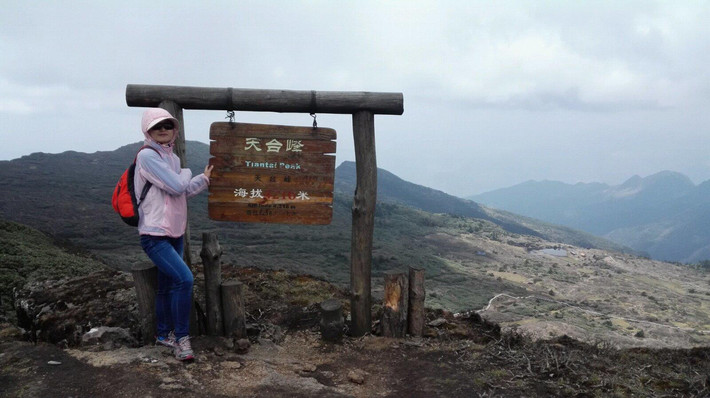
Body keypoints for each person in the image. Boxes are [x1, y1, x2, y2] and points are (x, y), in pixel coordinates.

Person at [134, 108, 213, 361]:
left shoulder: (173, 160)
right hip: (154, 234)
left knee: (167, 287)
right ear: (148, 130)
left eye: (168, 125)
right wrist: (187, 173)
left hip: (175, 231)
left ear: (174, 130)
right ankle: (181, 339)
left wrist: (204, 179)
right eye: (158, 126)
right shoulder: (147, 156)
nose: (164, 130)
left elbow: (180, 191)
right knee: (185, 280)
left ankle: (162, 334)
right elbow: (179, 184)